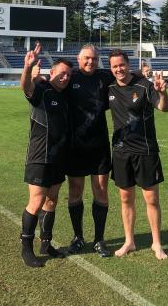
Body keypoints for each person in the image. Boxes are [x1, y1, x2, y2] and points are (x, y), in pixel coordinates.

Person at [108, 48, 168, 260]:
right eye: (115, 66)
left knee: (151, 199)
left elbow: (164, 108)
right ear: (111, 68)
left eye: (122, 65)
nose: (119, 69)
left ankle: (156, 243)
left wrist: (162, 92)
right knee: (126, 198)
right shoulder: (108, 87)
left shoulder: (144, 85)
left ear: (128, 64)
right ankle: (129, 241)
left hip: (145, 151)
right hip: (120, 152)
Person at [19, 42, 72, 267]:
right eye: (61, 74)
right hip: (39, 157)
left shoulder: (65, 95)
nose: (65, 78)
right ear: (51, 73)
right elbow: (26, 88)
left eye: (68, 75)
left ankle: (46, 243)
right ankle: (26, 249)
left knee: (52, 200)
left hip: (58, 157)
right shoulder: (41, 90)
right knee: (36, 201)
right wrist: (28, 68)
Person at [64, 44, 114, 257]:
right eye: (86, 58)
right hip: (75, 146)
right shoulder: (70, 77)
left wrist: (144, 72)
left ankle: (99, 239)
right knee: (75, 190)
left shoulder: (105, 77)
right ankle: (78, 237)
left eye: (93, 58)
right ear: (78, 58)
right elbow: (48, 84)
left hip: (99, 145)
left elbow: (126, 74)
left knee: (101, 190)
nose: (90, 62)